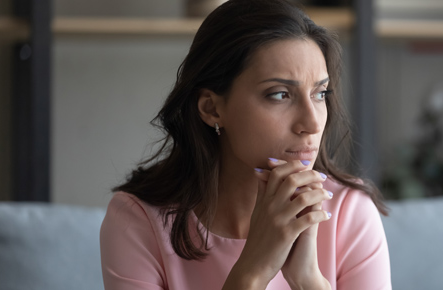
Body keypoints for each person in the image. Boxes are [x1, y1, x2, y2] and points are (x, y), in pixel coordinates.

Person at [99, 0, 391, 289]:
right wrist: (253, 271)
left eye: (320, 94)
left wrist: (308, 281)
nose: (313, 124)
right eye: (279, 95)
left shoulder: (349, 212)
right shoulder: (137, 220)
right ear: (212, 108)